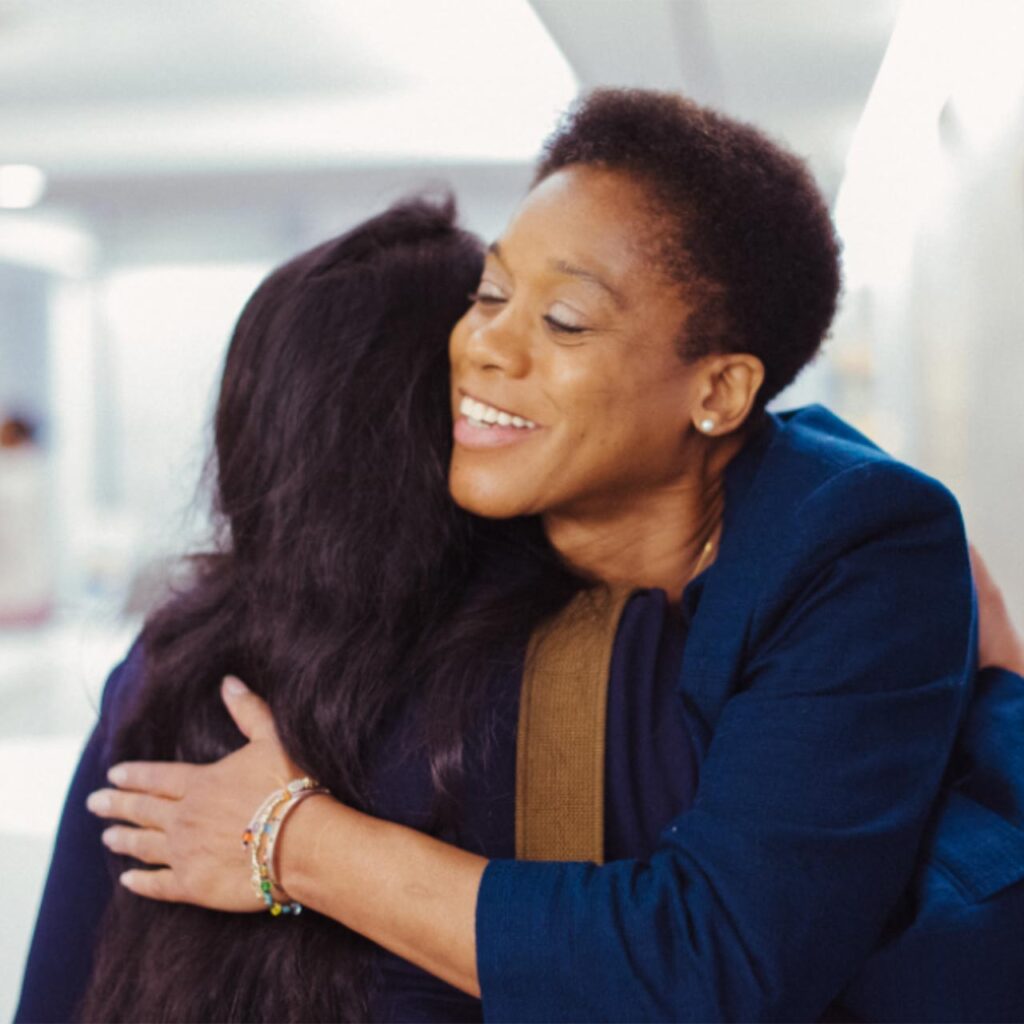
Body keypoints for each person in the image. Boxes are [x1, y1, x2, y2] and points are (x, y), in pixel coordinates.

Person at [21, 89, 1024, 1022]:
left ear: (716, 392)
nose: (488, 347)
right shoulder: (444, 594)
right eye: (491, 292)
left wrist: (292, 837)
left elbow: (721, 957)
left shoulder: (852, 545)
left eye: (564, 319)